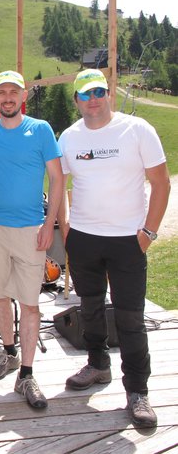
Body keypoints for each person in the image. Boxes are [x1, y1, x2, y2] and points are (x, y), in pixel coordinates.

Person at [58, 69, 170, 428]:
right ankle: (97, 365)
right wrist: (65, 227)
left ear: (108, 94)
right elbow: (58, 183)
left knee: (130, 318)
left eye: (99, 92)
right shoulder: (70, 137)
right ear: (76, 101)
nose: (93, 100)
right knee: (89, 308)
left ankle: (137, 391)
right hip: (84, 238)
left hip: (128, 240)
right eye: (85, 94)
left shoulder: (137, 130)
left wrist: (148, 233)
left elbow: (161, 182)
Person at [0, 70, 62, 409]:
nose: (8, 97)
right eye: (2, 91)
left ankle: (27, 373)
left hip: (32, 229)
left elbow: (57, 178)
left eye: (14, 92)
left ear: (23, 97)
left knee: (31, 304)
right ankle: (8, 352)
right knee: (0, 297)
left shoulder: (40, 130)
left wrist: (50, 223)